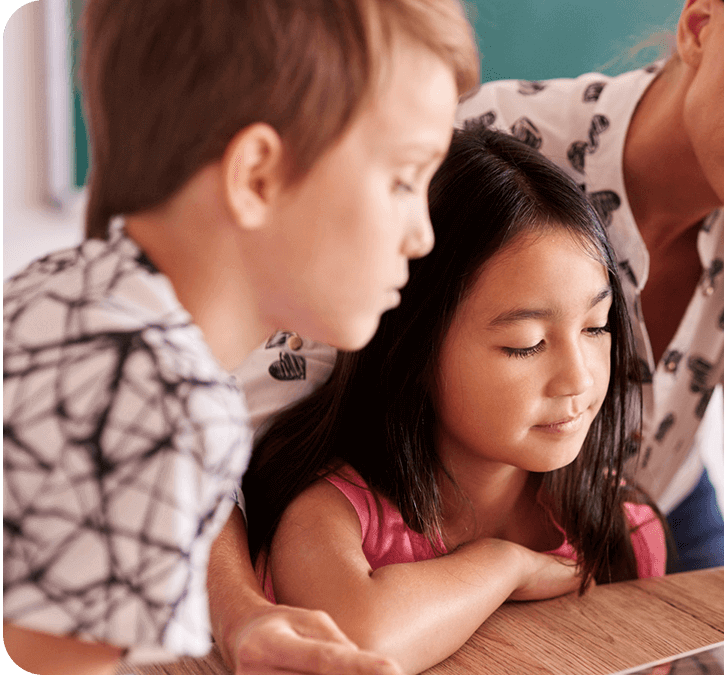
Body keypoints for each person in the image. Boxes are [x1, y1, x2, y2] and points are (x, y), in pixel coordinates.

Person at [233, 0, 724, 613]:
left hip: (630, 514)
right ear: (699, 25)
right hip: (417, 537)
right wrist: (243, 615)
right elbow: (261, 425)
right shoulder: (477, 149)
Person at [2, 1, 478, 674]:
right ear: (256, 176)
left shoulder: (66, 290)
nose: (422, 234)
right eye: (403, 180)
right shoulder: (165, 399)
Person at [240, 126, 667, 674]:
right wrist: (503, 565)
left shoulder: (621, 532)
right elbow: (358, 641)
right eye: (526, 344)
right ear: (413, 349)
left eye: (595, 327)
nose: (577, 379)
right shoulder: (334, 517)